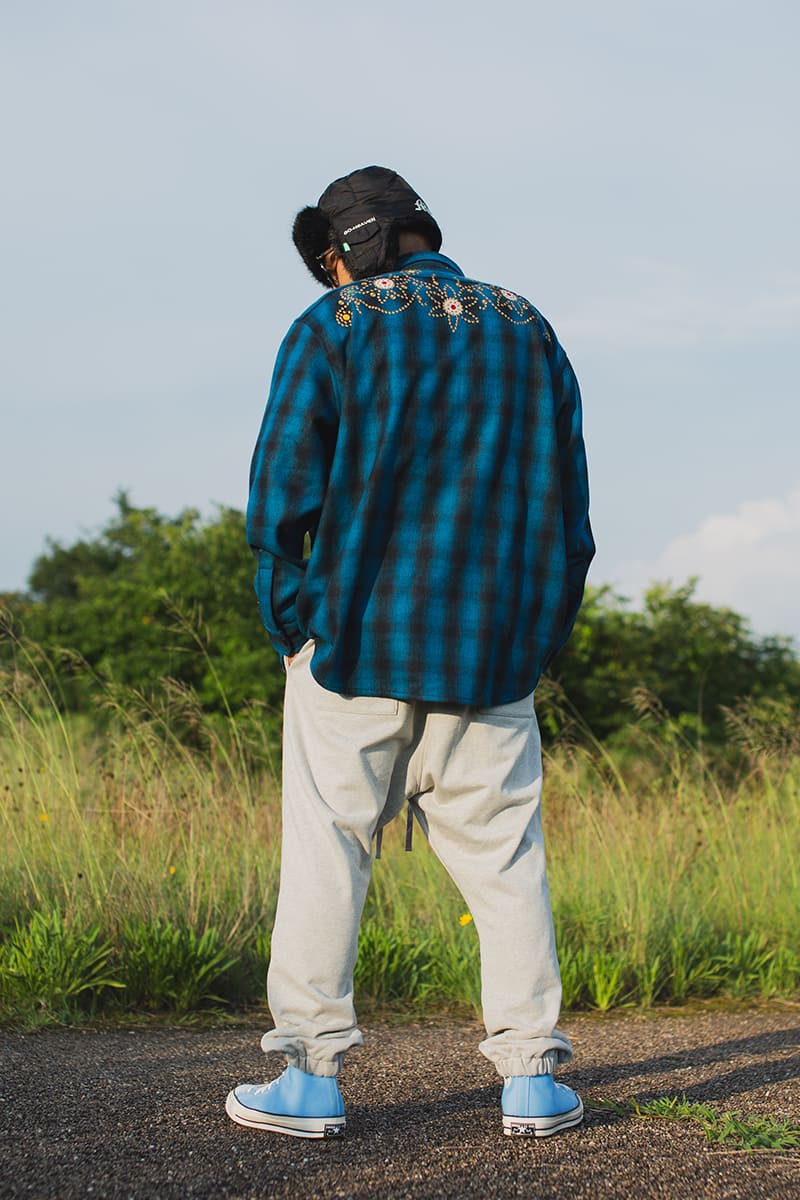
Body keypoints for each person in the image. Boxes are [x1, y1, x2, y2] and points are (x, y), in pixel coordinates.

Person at [226, 166, 595, 1140]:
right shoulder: (528, 328)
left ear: (360, 246)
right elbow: (571, 524)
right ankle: (531, 1080)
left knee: (328, 855)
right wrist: (532, 646)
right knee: (506, 863)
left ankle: (309, 1079)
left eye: (333, 259)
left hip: (351, 647)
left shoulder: (334, 329)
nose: (332, 277)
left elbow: (278, 503)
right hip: (490, 662)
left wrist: (296, 632)